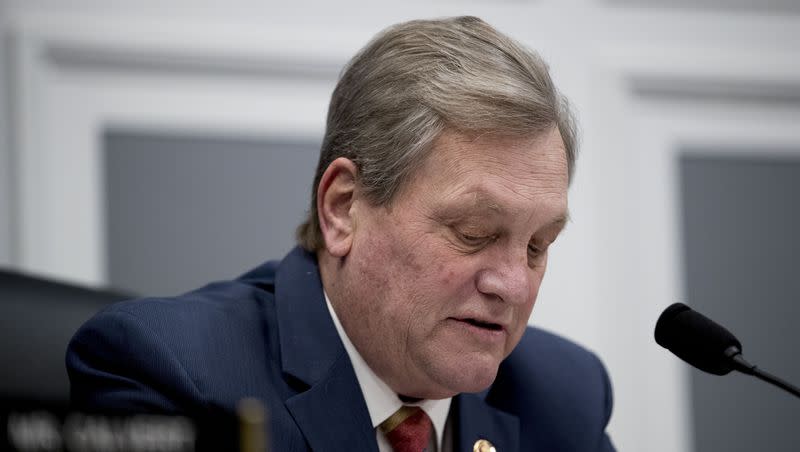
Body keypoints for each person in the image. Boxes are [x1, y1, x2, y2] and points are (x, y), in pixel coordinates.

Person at [67, 16, 615, 452]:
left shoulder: (564, 396)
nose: (514, 286)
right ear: (343, 208)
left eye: (537, 247)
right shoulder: (176, 376)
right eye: (473, 233)